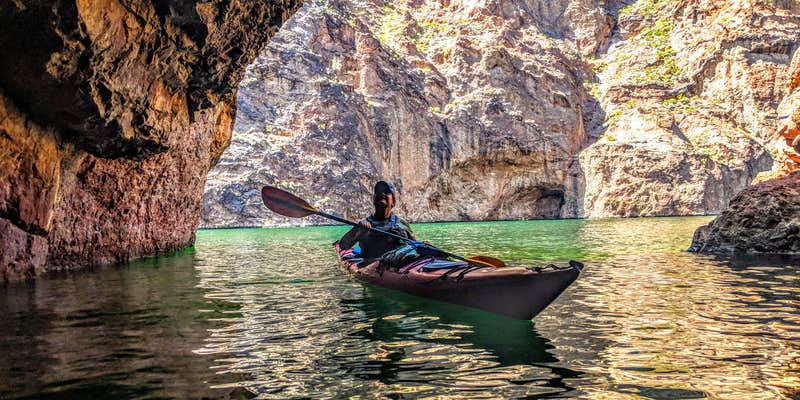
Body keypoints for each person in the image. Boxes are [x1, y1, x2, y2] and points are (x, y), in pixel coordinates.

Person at [338, 180, 417, 261]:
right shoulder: (363, 225)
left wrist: (424, 245)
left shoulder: (402, 223)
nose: (382, 194)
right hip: (371, 265)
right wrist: (357, 230)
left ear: (393, 202)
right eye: (378, 192)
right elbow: (343, 246)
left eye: (386, 192)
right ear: (374, 200)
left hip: (398, 264)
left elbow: (416, 245)